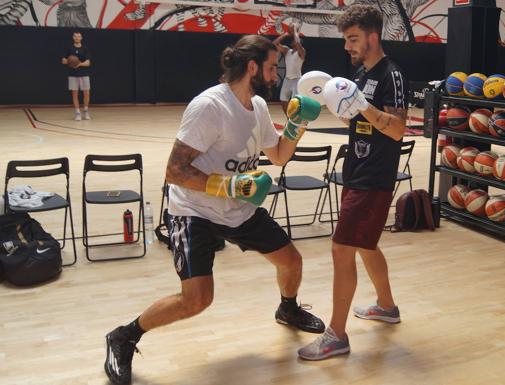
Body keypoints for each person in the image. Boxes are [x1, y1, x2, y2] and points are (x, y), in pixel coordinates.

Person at [104, 35, 324, 385]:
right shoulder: (210, 106)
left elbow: (279, 156)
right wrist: (228, 185)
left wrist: (298, 126)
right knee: (196, 300)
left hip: (238, 208)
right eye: (270, 68)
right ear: (251, 67)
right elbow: (174, 170)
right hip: (195, 211)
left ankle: (288, 308)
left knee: (291, 261)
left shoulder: (259, 107)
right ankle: (123, 336)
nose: (275, 75)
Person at [298, 5, 408, 361]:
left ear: (372, 37)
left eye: (353, 39)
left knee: (341, 248)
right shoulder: (360, 73)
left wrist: (362, 106)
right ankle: (387, 307)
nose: (348, 46)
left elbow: (397, 130)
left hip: (374, 177)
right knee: (365, 245)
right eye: (346, 40)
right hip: (356, 170)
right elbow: (358, 119)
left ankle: (337, 335)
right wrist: (339, 106)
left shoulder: (391, 75)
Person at [273, 24, 305, 115]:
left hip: (297, 80)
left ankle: (296, 119)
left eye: (295, 41)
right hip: (287, 79)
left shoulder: (302, 52)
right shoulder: (287, 51)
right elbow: (274, 44)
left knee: (295, 102)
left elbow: (298, 43)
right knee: (283, 100)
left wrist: (295, 31)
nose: (293, 41)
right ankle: (289, 118)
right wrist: (285, 34)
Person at [61, 31, 91, 121]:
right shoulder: (69, 48)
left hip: (84, 74)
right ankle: (77, 113)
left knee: (86, 94)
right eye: (75, 36)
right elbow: (63, 60)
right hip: (73, 74)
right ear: (73, 38)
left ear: (81, 38)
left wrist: (79, 64)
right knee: (75, 94)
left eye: (79, 36)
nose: (77, 38)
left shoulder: (85, 49)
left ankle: (85, 111)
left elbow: (88, 63)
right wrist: (69, 61)